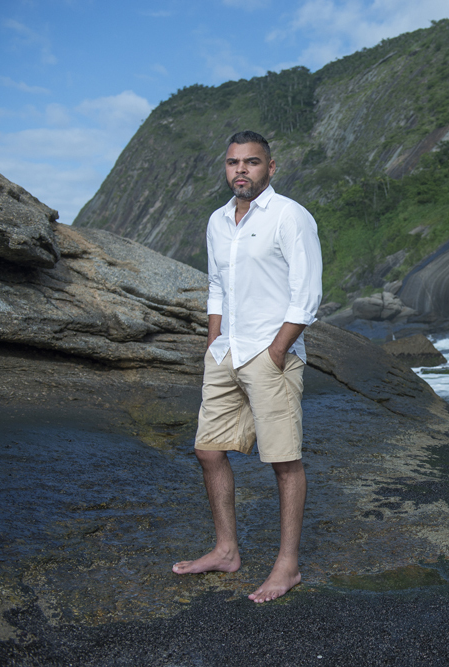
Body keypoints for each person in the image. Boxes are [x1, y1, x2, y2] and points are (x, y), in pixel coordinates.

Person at [172, 130, 323, 603]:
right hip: (227, 352)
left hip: (269, 353)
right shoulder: (217, 221)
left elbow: (307, 294)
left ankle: (287, 565)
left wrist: (277, 351)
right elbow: (217, 286)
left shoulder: (290, 216)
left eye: (252, 162)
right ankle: (226, 550)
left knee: (283, 460)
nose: (241, 170)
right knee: (208, 451)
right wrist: (213, 341)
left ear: (270, 168)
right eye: (233, 162)